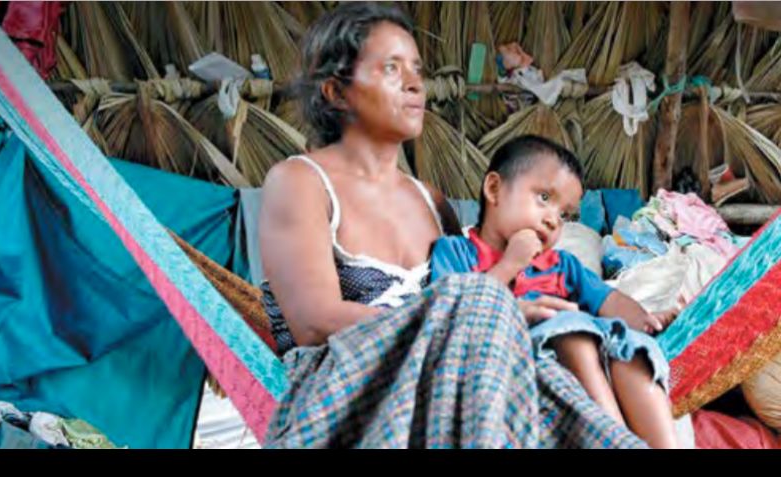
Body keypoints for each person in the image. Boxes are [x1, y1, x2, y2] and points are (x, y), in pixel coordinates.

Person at [258, 2, 645, 449]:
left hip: (447, 382)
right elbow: (314, 322)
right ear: (336, 92)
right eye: (391, 68)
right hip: (347, 386)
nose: (415, 83)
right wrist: (475, 315)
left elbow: (469, 294)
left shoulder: (429, 199)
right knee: (482, 300)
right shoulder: (300, 181)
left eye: (417, 69)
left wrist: (489, 318)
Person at [430, 135, 680, 448]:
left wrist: (646, 319)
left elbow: (609, 301)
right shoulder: (455, 253)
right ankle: (615, 440)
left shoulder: (563, 265)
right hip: (527, 356)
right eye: (544, 197)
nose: (553, 219)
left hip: (583, 347)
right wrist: (510, 264)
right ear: (494, 189)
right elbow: (448, 315)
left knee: (633, 350)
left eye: (565, 214)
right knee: (570, 328)